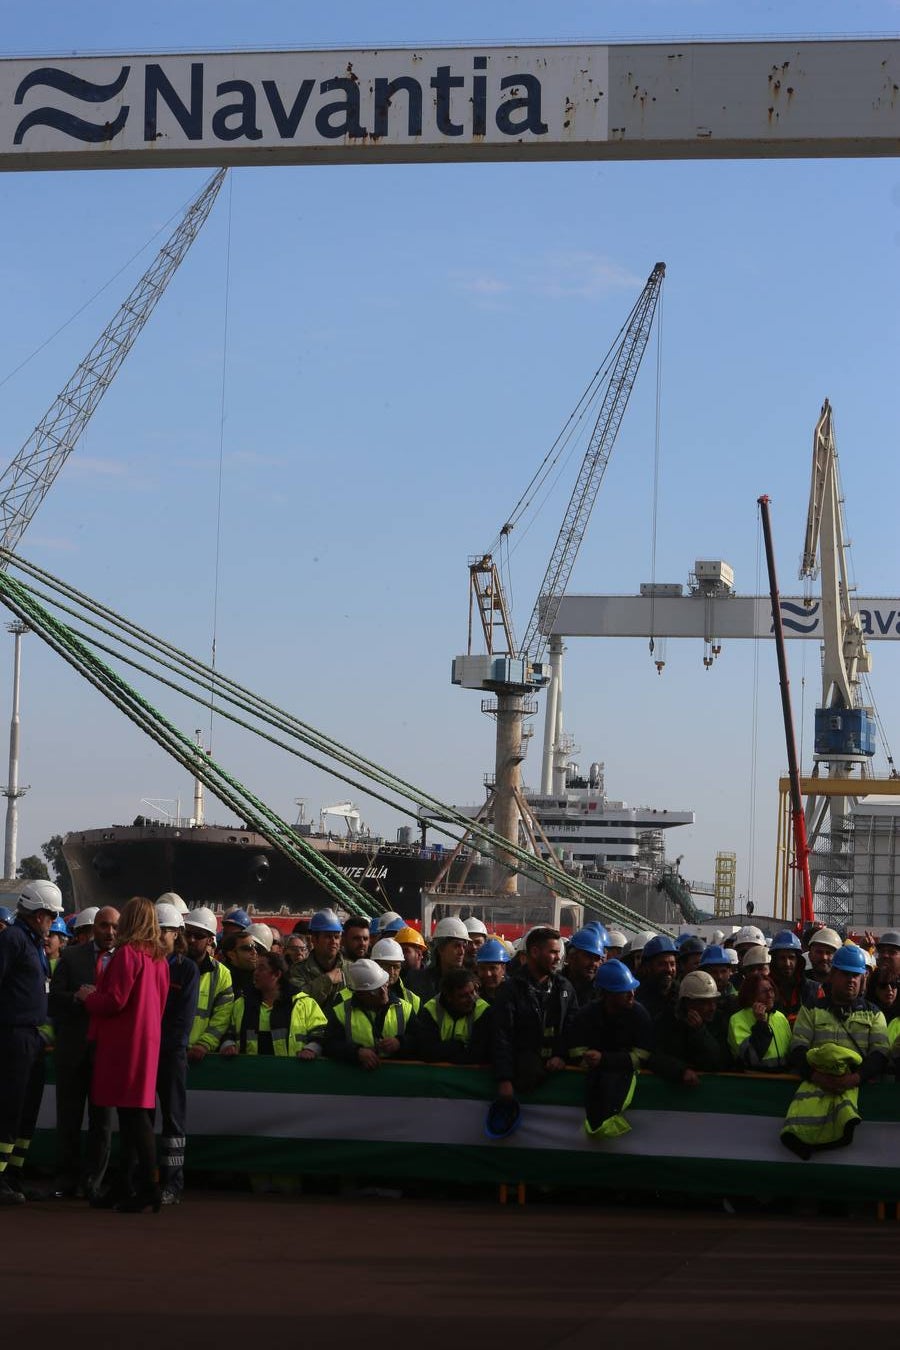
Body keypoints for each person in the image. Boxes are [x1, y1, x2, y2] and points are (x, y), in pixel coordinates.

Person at [78, 896, 170, 1212]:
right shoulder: (159, 959)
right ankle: (125, 1185)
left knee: (133, 1116)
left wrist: (90, 998)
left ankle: (147, 1187)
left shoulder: (128, 955)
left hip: (124, 1042)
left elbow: (114, 1000)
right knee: (134, 1114)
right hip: (147, 1041)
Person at [781, 943, 889, 1159]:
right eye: (845, 974)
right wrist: (817, 1077)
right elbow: (797, 1048)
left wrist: (854, 1079)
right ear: (833, 976)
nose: (851, 980)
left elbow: (880, 1054)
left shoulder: (874, 1015)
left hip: (859, 1098)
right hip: (815, 1087)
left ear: (862, 980)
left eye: (856, 975)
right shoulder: (811, 1010)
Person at [0, 880, 65, 1204]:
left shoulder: (32, 943)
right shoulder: (12, 940)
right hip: (14, 1036)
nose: (53, 924)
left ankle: (13, 1176)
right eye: (51, 917)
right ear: (39, 914)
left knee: (27, 1113)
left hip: (33, 1038)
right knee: (9, 1111)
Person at [48, 903, 119, 1200]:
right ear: (93, 929)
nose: (110, 932)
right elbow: (54, 1002)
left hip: (106, 1054)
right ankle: (67, 1178)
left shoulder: (127, 961)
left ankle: (93, 1182)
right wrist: (77, 998)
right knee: (69, 1117)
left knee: (102, 1121)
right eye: (104, 926)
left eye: (115, 927)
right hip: (73, 1051)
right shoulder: (72, 956)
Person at [565, 959, 654, 1137]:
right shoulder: (586, 1016)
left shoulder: (639, 1016)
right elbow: (574, 1051)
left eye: (632, 989)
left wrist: (603, 1060)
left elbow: (643, 1057)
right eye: (624, 991)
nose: (632, 994)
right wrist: (587, 1059)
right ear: (607, 994)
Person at [491, 926, 576, 1098]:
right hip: (520, 1079)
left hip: (559, 1080)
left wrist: (562, 1055)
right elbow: (501, 1037)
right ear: (535, 952)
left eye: (559, 952)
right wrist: (504, 1079)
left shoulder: (564, 988)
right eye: (552, 952)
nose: (558, 958)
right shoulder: (510, 990)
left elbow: (573, 1027)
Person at [155, 902, 200, 1207]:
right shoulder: (146, 963)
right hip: (146, 1052)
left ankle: (173, 1182)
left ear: (177, 934)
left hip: (171, 1053)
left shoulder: (186, 969)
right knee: (141, 1117)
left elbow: (183, 1018)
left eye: (165, 930)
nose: (159, 936)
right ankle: (142, 1177)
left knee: (173, 1119)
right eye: (155, 930)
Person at [221, 952, 326, 1058]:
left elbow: (321, 1031)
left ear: (277, 974)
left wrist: (311, 1049)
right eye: (256, 968)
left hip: (291, 1072)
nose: (255, 973)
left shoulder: (304, 1003)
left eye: (261, 968)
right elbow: (227, 1030)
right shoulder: (242, 1003)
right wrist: (228, 1045)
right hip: (250, 1072)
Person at [317, 958, 414, 1069]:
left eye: (384, 985)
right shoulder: (341, 1013)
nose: (384, 993)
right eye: (376, 990)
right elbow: (330, 1045)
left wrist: (400, 1043)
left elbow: (420, 1040)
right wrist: (356, 1052)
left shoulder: (405, 1009)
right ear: (361, 994)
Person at [649, 970, 730, 1086]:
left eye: (714, 1001)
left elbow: (720, 1062)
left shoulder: (720, 1021)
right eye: (704, 1002)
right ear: (687, 1003)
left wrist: (701, 1032)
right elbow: (655, 1057)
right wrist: (681, 1071)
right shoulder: (667, 1021)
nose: (712, 1008)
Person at [406, 968, 491, 1064]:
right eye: (463, 996)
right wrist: (459, 1046)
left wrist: (445, 1052)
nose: (471, 999)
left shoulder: (483, 1010)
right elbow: (426, 1052)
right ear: (449, 997)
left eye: (472, 992)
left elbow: (479, 1055)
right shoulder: (431, 1010)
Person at [184, 907, 234, 1061]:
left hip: (201, 1054)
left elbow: (222, 1016)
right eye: (188, 934)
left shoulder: (222, 974)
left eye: (198, 935)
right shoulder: (169, 965)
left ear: (210, 940)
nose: (191, 939)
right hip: (169, 1050)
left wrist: (204, 1044)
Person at [728, 969, 792, 1072]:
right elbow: (749, 1057)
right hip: (757, 1079)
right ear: (751, 996)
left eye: (771, 990)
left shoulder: (780, 1017)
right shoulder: (737, 1020)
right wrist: (761, 1024)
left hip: (783, 1078)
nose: (770, 995)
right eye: (764, 992)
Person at [288, 908, 346, 1008]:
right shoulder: (298, 971)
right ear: (314, 939)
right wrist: (327, 980)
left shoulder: (349, 968)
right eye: (328, 936)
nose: (333, 941)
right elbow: (299, 1002)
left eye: (336, 937)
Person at [768, 930, 822, 1021]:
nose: (787, 963)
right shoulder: (765, 989)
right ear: (774, 960)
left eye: (791, 957)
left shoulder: (814, 990)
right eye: (782, 958)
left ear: (798, 960)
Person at [419, 916, 470, 998]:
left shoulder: (469, 981)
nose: (462, 952)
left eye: (464, 946)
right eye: (457, 946)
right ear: (441, 948)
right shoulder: (421, 982)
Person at [368, 937, 420, 1013]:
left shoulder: (413, 1000)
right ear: (374, 964)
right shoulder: (356, 994)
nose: (391, 972)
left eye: (396, 967)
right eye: (386, 966)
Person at [635, 935, 678, 1021]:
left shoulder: (682, 996)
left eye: (672, 964)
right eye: (662, 964)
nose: (669, 969)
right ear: (648, 966)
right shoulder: (637, 999)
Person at [562, 927, 607, 1008]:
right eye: (588, 956)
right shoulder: (553, 985)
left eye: (597, 958)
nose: (593, 963)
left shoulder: (603, 991)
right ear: (571, 957)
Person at [220, 929, 258, 998]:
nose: (254, 952)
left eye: (255, 946)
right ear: (232, 955)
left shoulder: (260, 977)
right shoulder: (220, 978)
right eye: (248, 948)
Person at [396, 925, 429, 998]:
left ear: (419, 954)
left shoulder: (430, 981)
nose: (400, 954)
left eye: (405, 951)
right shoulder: (395, 979)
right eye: (398, 950)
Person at [474, 938, 511, 1003]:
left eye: (493, 968)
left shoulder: (514, 993)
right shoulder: (473, 994)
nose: (488, 974)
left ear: (503, 969)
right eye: (482, 968)